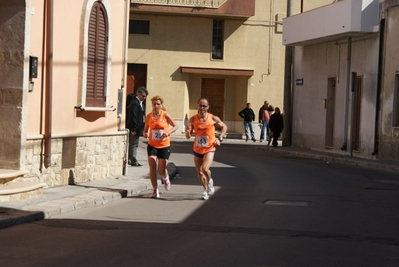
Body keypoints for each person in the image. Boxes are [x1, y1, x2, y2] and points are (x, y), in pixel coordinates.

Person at [185, 98, 228, 200]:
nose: (202, 108)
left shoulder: (213, 118)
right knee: (199, 172)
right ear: (197, 106)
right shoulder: (193, 119)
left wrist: (220, 138)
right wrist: (188, 131)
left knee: (204, 169)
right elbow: (188, 136)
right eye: (200, 105)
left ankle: (210, 181)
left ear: (208, 107)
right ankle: (205, 190)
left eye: (204, 106)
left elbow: (224, 127)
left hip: (209, 147)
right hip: (197, 149)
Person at [143, 96, 178, 198]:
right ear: (152, 105)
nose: (156, 106)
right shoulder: (149, 116)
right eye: (154, 104)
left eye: (158, 104)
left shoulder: (165, 115)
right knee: (152, 166)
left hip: (164, 145)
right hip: (152, 145)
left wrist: (168, 132)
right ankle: (155, 189)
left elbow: (175, 126)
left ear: (161, 105)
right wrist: (145, 133)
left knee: (161, 169)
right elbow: (145, 130)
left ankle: (165, 177)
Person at [127, 86, 149, 167]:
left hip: (139, 127)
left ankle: (131, 159)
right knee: (133, 144)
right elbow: (134, 117)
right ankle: (133, 160)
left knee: (134, 144)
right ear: (138, 94)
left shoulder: (140, 104)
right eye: (143, 96)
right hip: (134, 128)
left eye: (145, 96)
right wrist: (134, 128)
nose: (144, 98)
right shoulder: (135, 103)